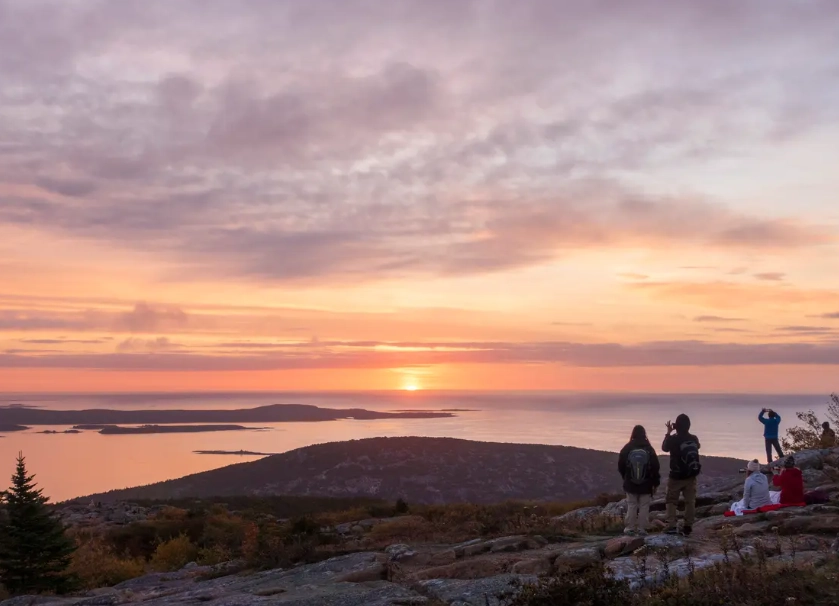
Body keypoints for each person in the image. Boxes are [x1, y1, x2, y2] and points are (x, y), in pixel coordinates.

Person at [662, 413, 701, 535]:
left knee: (671, 500)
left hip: (676, 476)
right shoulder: (694, 438)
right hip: (690, 475)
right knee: (690, 501)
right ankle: (688, 526)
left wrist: (669, 432)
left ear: (676, 426)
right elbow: (698, 447)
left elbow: (664, 447)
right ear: (689, 425)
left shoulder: (674, 439)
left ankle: (671, 525)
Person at [618, 425, 661, 536]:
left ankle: (629, 528)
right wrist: (655, 482)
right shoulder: (649, 448)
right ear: (644, 434)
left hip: (630, 483)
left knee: (632, 504)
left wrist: (626, 477)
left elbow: (621, 465)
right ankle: (642, 529)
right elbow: (656, 466)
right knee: (644, 505)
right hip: (646, 484)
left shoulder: (628, 447)